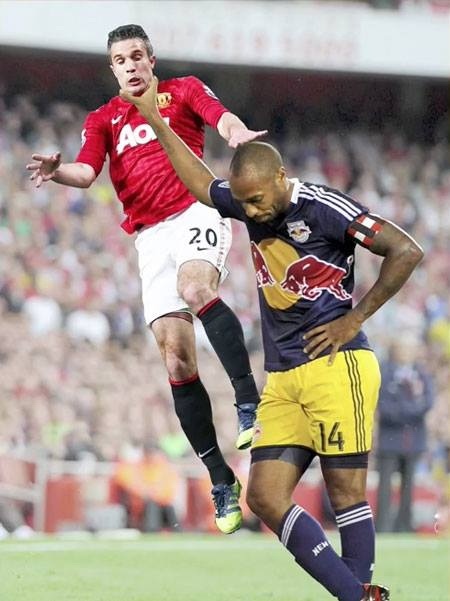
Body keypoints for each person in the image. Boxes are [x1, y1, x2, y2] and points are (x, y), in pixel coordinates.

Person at [122, 78, 425, 601]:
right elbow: (202, 186)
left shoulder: (325, 207)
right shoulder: (247, 200)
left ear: (281, 178)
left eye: (258, 201)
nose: (253, 213)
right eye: (244, 204)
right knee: (263, 496)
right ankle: (359, 596)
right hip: (283, 377)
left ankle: (356, 595)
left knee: (345, 492)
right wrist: (154, 119)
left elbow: (406, 250)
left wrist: (354, 319)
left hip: (337, 365)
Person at [26, 24, 267, 535]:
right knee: (176, 357)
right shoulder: (103, 119)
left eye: (137, 56)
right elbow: (86, 173)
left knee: (196, 288)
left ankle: (249, 401)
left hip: (195, 209)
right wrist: (56, 171)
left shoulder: (182, 91)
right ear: (113, 69)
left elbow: (220, 118)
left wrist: (236, 133)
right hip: (149, 238)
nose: (130, 65)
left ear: (151, 60)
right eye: (120, 59)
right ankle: (220, 477)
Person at [375, 335, 434, 533]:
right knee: (385, 485)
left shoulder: (421, 373)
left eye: (409, 349)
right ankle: (382, 526)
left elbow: (428, 401)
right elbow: (382, 403)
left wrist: (407, 411)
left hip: (413, 440)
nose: (406, 353)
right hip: (390, 439)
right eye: (402, 348)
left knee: (409, 485)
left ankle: (404, 526)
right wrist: (408, 412)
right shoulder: (384, 372)